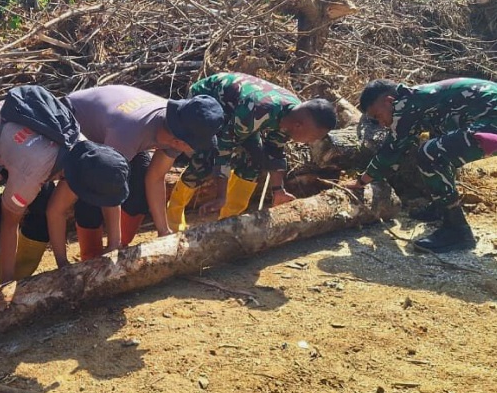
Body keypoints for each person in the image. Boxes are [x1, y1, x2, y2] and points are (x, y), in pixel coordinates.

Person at [0, 87, 130, 287]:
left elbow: (56, 211)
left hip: (12, 139)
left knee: (41, 209)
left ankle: (23, 277)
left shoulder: (85, 152)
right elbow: (10, 221)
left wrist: (63, 263)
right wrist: (6, 284)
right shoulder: (33, 170)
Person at [64, 85, 225, 259]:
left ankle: (122, 247)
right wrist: (113, 243)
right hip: (73, 121)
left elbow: (155, 177)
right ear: (180, 141)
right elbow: (108, 181)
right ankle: (92, 256)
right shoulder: (129, 130)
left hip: (115, 130)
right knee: (93, 189)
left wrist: (164, 231)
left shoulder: (181, 126)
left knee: (139, 187)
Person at [167, 72, 337, 229]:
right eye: (314, 136)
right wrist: (220, 196)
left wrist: (278, 190)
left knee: (254, 161)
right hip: (207, 101)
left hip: (239, 112)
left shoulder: (292, 117)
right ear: (299, 126)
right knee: (204, 160)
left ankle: (227, 223)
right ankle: (172, 219)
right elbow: (224, 150)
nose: (313, 141)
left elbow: (274, 150)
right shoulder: (259, 110)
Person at [348, 77, 497, 253]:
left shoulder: (405, 106)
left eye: (377, 116)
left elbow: (392, 151)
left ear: (389, 101)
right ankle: (441, 206)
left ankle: (457, 230)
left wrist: (362, 181)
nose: (381, 123)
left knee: (430, 153)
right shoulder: (417, 99)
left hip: (491, 124)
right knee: (438, 139)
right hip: (484, 117)